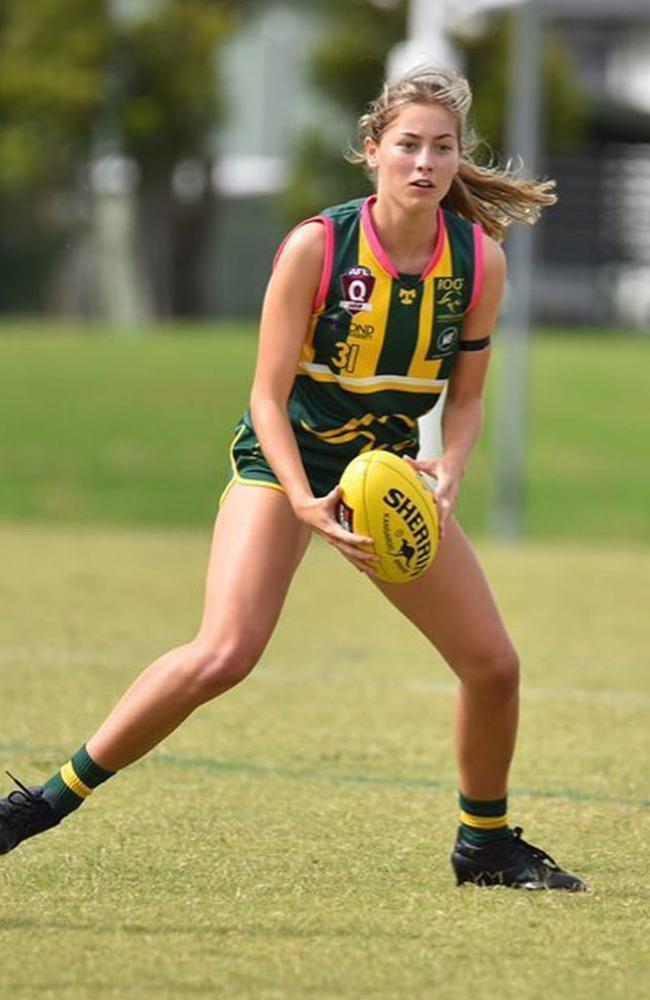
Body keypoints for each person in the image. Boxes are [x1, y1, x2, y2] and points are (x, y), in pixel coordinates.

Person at [0, 67, 585, 891]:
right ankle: (35, 807)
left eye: (442, 148)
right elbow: (265, 398)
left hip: (378, 475)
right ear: (372, 151)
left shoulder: (478, 264)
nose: (424, 162)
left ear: (459, 160)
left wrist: (451, 465)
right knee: (225, 653)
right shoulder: (319, 245)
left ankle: (484, 846)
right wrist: (303, 500)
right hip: (285, 465)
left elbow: (467, 400)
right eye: (408, 145)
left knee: (493, 666)